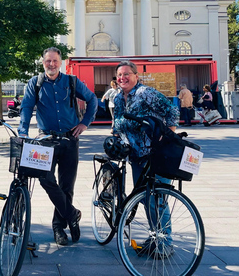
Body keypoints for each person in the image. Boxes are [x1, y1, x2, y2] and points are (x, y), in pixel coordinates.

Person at [19, 47, 98, 246]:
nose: (51, 64)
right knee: (44, 177)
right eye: (48, 61)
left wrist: (85, 123)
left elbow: (92, 99)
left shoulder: (71, 82)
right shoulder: (35, 83)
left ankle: (58, 227)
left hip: (70, 139)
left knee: (67, 186)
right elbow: (27, 107)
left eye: (55, 61)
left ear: (60, 62)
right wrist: (22, 131)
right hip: (46, 140)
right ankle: (72, 214)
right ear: (43, 62)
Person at [112, 60, 179, 258]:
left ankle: (166, 242)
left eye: (127, 74)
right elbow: (117, 122)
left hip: (156, 155)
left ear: (136, 76)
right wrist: (116, 138)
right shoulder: (118, 98)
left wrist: (167, 138)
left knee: (158, 200)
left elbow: (172, 111)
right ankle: (156, 236)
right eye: (119, 75)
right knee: (146, 200)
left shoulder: (145, 93)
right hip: (136, 156)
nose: (122, 78)